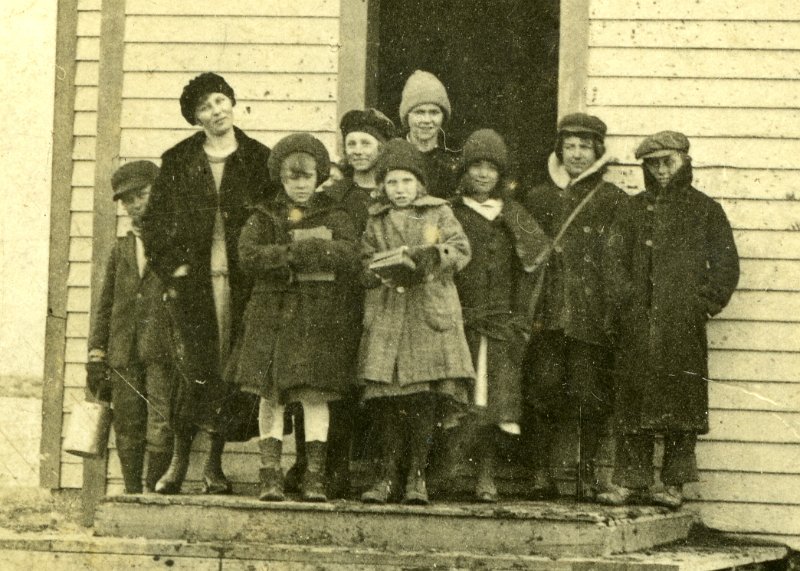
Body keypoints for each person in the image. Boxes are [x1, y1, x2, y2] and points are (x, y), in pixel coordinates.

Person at [141, 72, 273, 494]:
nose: (216, 111)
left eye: (220, 101)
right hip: (194, 285)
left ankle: (214, 466)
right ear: (195, 118)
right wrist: (173, 269)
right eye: (205, 107)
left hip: (243, 285)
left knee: (230, 370)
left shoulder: (259, 158)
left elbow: (273, 221)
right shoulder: (178, 159)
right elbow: (155, 224)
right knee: (192, 371)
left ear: (232, 103)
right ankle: (179, 464)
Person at [598, 131, 739, 508]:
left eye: (668, 162)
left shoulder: (705, 210)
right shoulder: (630, 209)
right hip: (636, 327)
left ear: (684, 162)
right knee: (632, 403)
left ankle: (674, 485)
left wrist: (701, 305)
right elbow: (612, 263)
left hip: (681, 327)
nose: (660, 171)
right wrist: (626, 302)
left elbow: (726, 267)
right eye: (653, 163)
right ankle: (631, 481)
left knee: (681, 404)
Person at [233, 133, 361, 502]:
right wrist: (290, 254)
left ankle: (314, 477)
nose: (301, 186)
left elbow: (352, 254)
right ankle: (270, 475)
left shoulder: (335, 214)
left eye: (307, 178)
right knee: (271, 397)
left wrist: (318, 248)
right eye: (293, 178)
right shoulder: (264, 215)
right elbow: (248, 256)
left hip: (318, 317)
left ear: (319, 176)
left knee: (314, 396)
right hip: (273, 315)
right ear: (282, 179)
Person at [280, 109, 395, 498]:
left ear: (381, 148)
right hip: (332, 299)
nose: (359, 151)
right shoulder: (330, 194)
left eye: (367, 143)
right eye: (352, 144)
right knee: (325, 382)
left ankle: (353, 469)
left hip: (378, 294)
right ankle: (320, 466)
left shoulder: (391, 189)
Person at [358, 138, 475, 505]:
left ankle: (417, 478)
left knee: (424, 400)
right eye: (392, 183)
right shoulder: (375, 220)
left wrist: (430, 257)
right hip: (389, 316)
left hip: (429, 315)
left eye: (407, 182)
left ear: (420, 184)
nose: (400, 190)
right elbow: (363, 260)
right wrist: (379, 268)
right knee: (388, 404)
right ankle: (387, 477)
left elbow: (460, 249)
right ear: (383, 186)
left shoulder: (439, 212)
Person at [521, 113, 626, 499]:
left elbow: (620, 263)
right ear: (559, 151)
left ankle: (586, 475)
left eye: (584, 147)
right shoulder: (536, 197)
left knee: (589, 394)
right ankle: (540, 473)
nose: (577, 154)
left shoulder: (612, 200)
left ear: (597, 151)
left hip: (591, 317)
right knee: (542, 388)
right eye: (570, 146)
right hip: (546, 315)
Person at [450, 129, 550, 502]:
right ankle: (447, 471)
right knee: (459, 400)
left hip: (500, 324)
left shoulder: (514, 213)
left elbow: (536, 264)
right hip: (458, 322)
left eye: (491, 168)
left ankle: (486, 475)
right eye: (475, 166)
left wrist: (522, 317)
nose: (482, 175)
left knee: (494, 401)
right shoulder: (449, 211)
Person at [85, 160, 174, 494]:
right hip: (123, 351)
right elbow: (106, 305)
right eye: (128, 200)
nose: (135, 205)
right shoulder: (121, 249)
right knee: (126, 421)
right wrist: (96, 354)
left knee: (160, 420)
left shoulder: (174, 242)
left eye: (142, 195)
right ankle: (132, 491)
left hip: (161, 349)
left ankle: (152, 490)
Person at [399, 70, 460, 199]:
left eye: (434, 112)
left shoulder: (454, 158)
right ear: (407, 116)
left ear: (443, 116)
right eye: (419, 112)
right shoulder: (393, 155)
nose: (426, 120)